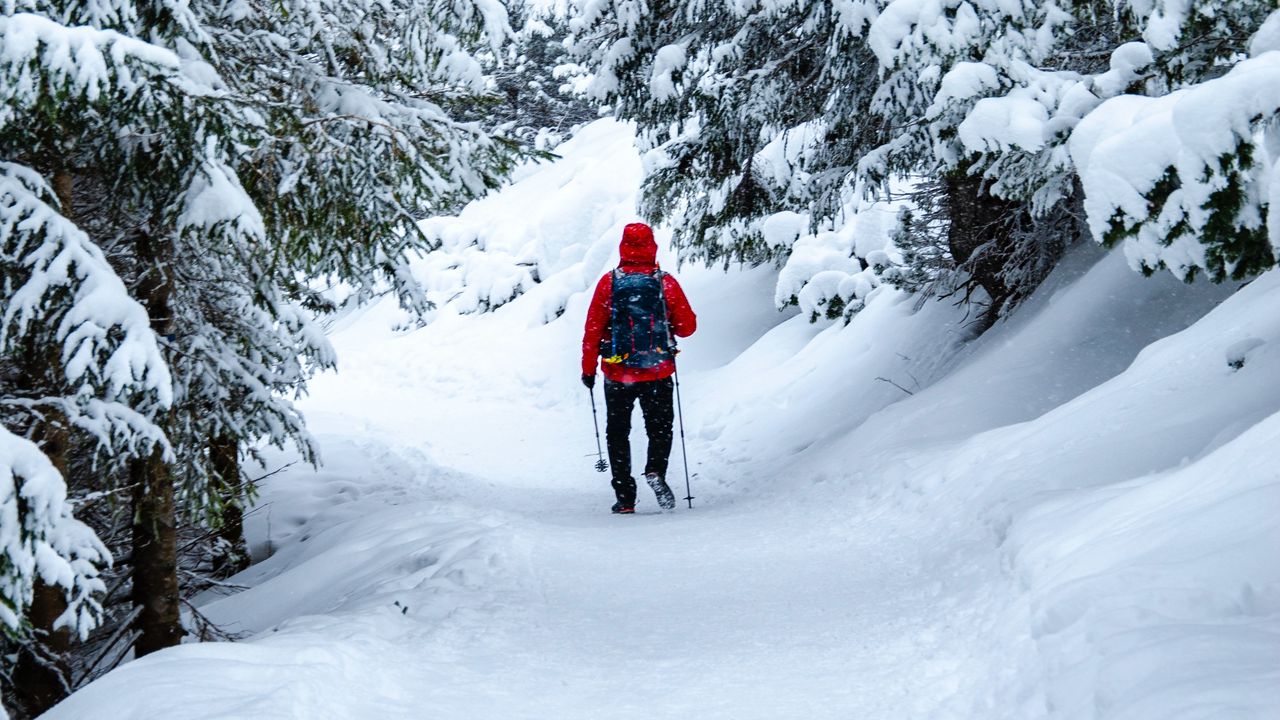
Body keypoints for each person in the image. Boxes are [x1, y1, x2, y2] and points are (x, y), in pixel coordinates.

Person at [582, 222, 697, 514]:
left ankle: (625, 498)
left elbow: (593, 329)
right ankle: (655, 470)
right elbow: (688, 327)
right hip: (657, 371)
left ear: (622, 247)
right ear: (652, 246)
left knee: (618, 432)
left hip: (617, 373)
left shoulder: (609, 283)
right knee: (660, 429)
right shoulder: (664, 282)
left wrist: (588, 369)